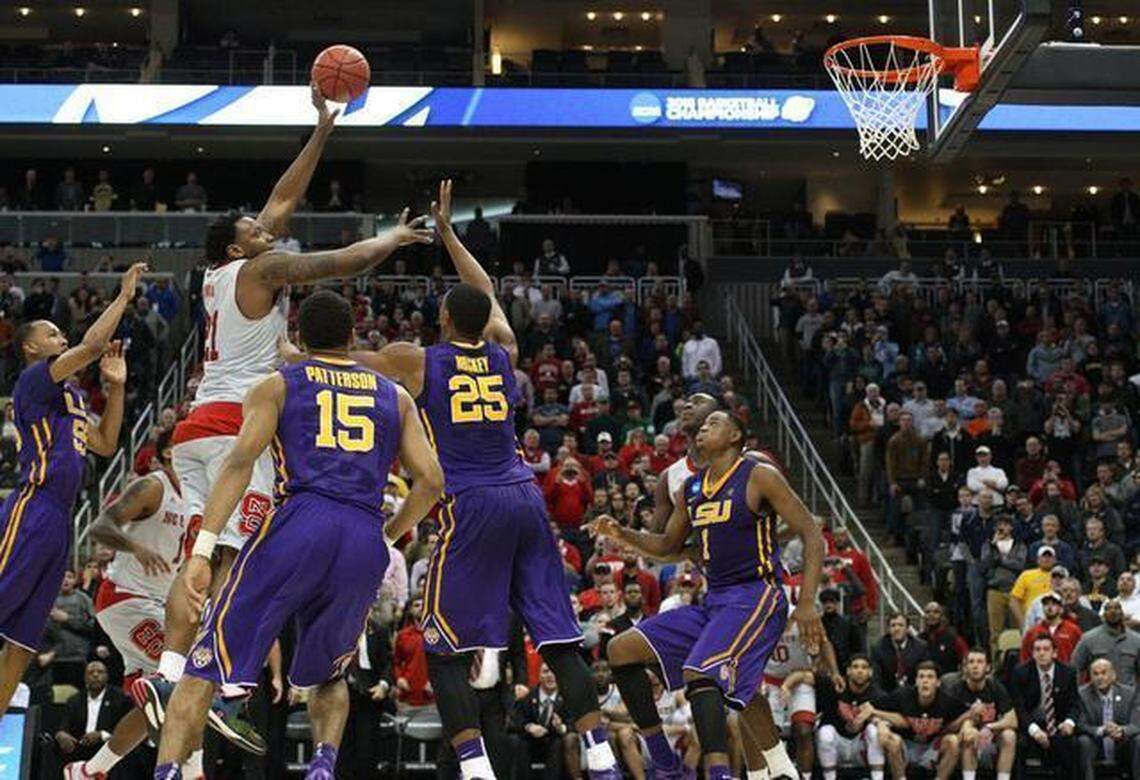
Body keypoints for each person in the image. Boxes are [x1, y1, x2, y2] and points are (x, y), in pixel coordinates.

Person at [138, 83, 432, 748]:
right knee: (253, 562)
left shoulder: (225, 278)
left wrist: (323, 132)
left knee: (206, 555)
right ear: (239, 246)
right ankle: (231, 689)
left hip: (193, 430)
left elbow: (283, 197)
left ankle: (168, 673)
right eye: (254, 229)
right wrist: (392, 237)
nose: (266, 227)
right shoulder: (264, 269)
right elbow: (338, 261)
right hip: (231, 428)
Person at [349, 181, 623, 780]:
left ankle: (473, 765)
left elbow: (340, 356)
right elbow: (488, 291)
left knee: (443, 644)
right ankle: (600, 751)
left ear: (443, 317)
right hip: (524, 498)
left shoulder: (417, 359)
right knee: (555, 636)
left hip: (469, 504)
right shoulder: (505, 349)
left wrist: (286, 350)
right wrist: (449, 234)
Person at [149, 291, 443, 780]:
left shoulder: (278, 385)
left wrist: (204, 548)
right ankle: (323, 766)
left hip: (300, 519)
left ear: (299, 338)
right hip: (362, 532)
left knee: (206, 661)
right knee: (329, 672)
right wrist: (386, 535)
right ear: (353, 337)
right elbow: (431, 481)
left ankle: (168, 774)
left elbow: (239, 464)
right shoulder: (396, 396)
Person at [593, 410, 826, 780]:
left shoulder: (758, 474)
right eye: (702, 424)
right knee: (620, 649)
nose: (703, 427)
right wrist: (622, 533)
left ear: (736, 435)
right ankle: (666, 762)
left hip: (756, 594)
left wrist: (809, 601)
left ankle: (719, 774)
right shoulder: (692, 487)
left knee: (701, 672)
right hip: (714, 600)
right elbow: (668, 545)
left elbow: (811, 533)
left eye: (714, 422)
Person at [0, 262, 142, 718]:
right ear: (30, 347)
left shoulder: (74, 398)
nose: (62, 339)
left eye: (63, 334)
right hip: (33, 506)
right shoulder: (34, 380)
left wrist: (115, 388)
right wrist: (121, 299)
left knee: (21, 644)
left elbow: (103, 443)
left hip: (61, 519)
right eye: (54, 333)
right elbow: (94, 344)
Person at [64, 428, 186, 779]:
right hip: (125, 597)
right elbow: (99, 527)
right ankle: (190, 772)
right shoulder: (153, 486)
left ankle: (87, 771)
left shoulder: (200, 496)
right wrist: (136, 548)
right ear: (166, 454)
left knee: (155, 705)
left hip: (158, 604)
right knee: (183, 680)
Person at [875, 661, 969, 780]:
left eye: (930, 677)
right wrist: (881, 725)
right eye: (921, 676)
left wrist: (967, 726)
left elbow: (968, 715)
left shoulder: (946, 701)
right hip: (906, 746)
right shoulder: (902, 696)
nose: (925, 681)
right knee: (891, 739)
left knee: (953, 741)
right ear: (916, 681)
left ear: (938, 682)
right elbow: (873, 709)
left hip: (931, 747)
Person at [1012, 634, 1079, 777]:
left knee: (1072, 743)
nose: (1041, 653)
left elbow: (1075, 703)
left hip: (1059, 724)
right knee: (1020, 745)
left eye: (1046, 649)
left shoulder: (1068, 672)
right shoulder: (1021, 672)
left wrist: (1069, 723)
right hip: (1032, 724)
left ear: (1054, 653)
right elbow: (1020, 708)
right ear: (1032, 653)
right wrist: (1034, 730)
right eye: (1037, 649)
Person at [945, 649, 1017, 780]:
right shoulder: (955, 690)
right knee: (969, 730)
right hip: (964, 741)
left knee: (1009, 735)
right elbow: (947, 727)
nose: (975, 666)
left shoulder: (995, 686)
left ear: (988, 667)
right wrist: (969, 714)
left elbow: (1012, 720)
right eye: (971, 662)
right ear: (965, 667)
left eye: (980, 662)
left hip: (989, 738)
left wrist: (989, 727)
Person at [815, 654, 886, 780]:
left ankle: (877, 777)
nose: (859, 671)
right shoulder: (836, 687)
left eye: (864, 668)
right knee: (825, 733)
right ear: (848, 671)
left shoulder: (878, 695)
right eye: (855, 667)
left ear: (870, 672)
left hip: (860, 747)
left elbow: (886, 720)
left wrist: (871, 718)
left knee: (874, 731)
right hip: (836, 746)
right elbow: (814, 677)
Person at [55, 662, 133, 770]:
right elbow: (63, 727)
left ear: (107, 676)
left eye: (100, 672)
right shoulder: (74, 700)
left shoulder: (120, 698)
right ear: (85, 677)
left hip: (107, 746)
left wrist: (101, 734)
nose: (95, 675)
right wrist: (62, 735)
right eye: (91, 672)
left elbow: (127, 729)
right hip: (80, 748)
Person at [509, 663, 575, 780]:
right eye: (546, 672)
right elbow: (514, 721)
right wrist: (528, 726)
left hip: (554, 739)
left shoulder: (567, 696)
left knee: (558, 744)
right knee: (517, 743)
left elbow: (575, 723)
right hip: (530, 740)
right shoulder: (528, 696)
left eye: (553, 671)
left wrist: (561, 727)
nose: (550, 675)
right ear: (539, 676)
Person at [1076, 658, 1140, 777]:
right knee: (1083, 741)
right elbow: (1081, 724)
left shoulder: (1130, 693)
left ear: (1113, 675)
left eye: (1104, 673)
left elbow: (1137, 723)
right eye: (1095, 674)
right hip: (1096, 745)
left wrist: (1121, 731)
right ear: (1090, 677)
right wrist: (1101, 730)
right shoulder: (1082, 694)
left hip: (1122, 745)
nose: (1100, 677)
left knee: (1139, 740)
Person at [1071, 599, 1140, 688]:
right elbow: (1075, 668)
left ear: (1122, 614)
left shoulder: (1136, 640)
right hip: (1097, 697)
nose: (1113, 611)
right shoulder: (1089, 639)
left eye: (1117, 608)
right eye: (1108, 609)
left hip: (1129, 698)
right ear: (1103, 615)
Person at [871, 612, 929, 694]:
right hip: (888, 694)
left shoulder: (920, 647)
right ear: (888, 629)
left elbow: (924, 675)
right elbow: (876, 680)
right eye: (893, 625)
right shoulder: (878, 648)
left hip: (914, 694)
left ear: (908, 628)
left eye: (901, 625)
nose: (896, 629)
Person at [1020, 592, 1083, 664]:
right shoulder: (1032, 632)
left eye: (1054, 604)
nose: (1049, 607)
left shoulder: (1073, 630)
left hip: (1066, 673)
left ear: (1061, 609)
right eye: (1046, 604)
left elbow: (1081, 656)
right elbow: (1025, 657)